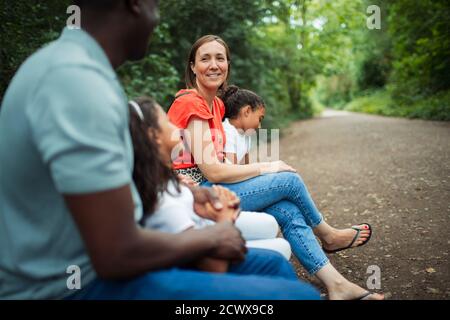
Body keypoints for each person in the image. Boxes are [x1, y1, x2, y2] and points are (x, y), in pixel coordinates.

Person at [0, 0, 320, 299]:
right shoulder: (75, 82)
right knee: (299, 295)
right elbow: (117, 252)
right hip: (72, 286)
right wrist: (211, 237)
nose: (157, 18)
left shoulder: (79, 68)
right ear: (134, 4)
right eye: (155, 5)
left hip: (100, 265)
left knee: (273, 266)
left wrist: (189, 193)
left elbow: (119, 184)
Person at [167, 35, 384, 300]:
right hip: (199, 193)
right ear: (192, 67)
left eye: (220, 58)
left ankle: (336, 284)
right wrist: (267, 166)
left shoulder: (217, 104)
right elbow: (212, 170)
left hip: (212, 186)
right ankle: (328, 235)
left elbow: (222, 162)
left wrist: (256, 167)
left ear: (228, 64)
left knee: (288, 208)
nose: (214, 65)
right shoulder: (191, 103)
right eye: (205, 58)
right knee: (288, 180)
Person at [128, 97, 292, 263]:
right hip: (210, 239)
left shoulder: (163, 177)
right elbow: (209, 263)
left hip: (204, 221)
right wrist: (224, 220)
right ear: (154, 135)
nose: (178, 126)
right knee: (281, 247)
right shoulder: (166, 205)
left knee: (272, 224)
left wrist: (193, 193)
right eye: (169, 122)